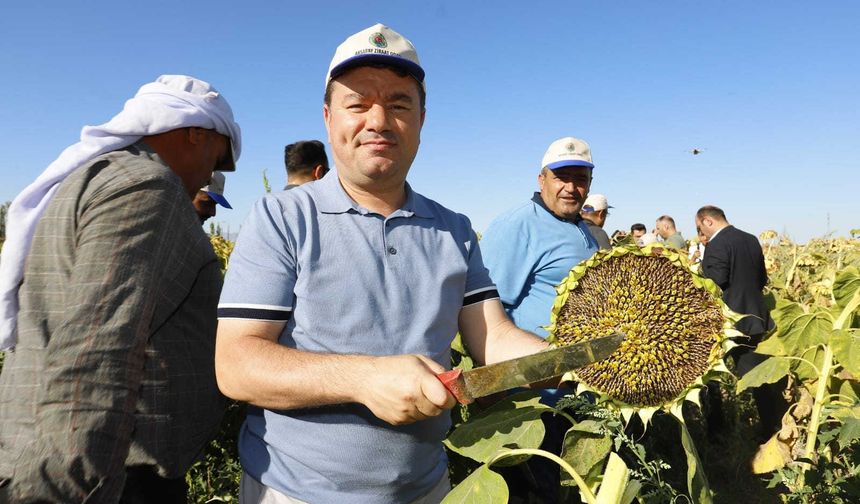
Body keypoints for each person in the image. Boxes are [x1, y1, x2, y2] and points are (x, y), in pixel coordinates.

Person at [214, 24, 550, 504]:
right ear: (329, 119)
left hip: (427, 489)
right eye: (358, 104)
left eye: (397, 104)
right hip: (295, 493)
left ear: (421, 119)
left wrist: (578, 359)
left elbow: (492, 337)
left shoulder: (452, 228)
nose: (378, 120)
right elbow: (236, 364)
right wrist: (365, 378)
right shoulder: (282, 217)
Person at [0, 75, 241, 503]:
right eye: (217, 160)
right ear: (194, 133)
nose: (210, 175)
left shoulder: (99, 179)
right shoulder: (146, 187)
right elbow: (96, 352)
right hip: (107, 480)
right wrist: (64, 491)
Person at [479, 136, 598, 502]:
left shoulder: (583, 230)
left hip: (573, 390)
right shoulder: (519, 225)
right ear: (541, 179)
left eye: (580, 179)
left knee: (569, 487)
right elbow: (485, 312)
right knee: (534, 491)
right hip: (530, 398)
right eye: (561, 176)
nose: (570, 187)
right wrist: (490, 392)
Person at [695, 205, 786, 439]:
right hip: (756, 318)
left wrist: (699, 271)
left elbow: (714, 283)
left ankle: (719, 431)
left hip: (729, 323)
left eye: (699, 227)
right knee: (761, 378)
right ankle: (775, 427)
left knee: (709, 375)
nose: (700, 234)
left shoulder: (717, 245)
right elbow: (761, 278)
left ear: (707, 221)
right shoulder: (750, 239)